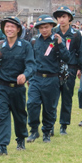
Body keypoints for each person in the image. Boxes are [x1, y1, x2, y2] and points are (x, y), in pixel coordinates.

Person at [0, 16, 35, 156]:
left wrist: (25, 75)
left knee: (19, 115)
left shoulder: (25, 46)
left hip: (18, 88)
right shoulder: (0, 45)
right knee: (2, 115)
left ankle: (21, 138)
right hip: (2, 86)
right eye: (7, 27)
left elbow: (31, 65)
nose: (9, 29)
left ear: (18, 29)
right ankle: (1, 146)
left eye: (12, 27)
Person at [27, 15, 71, 143]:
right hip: (36, 78)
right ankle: (34, 130)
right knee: (32, 104)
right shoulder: (34, 40)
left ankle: (47, 131)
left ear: (52, 26)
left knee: (49, 108)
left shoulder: (58, 40)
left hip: (52, 79)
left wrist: (61, 45)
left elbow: (67, 58)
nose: (44, 30)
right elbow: (30, 59)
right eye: (41, 28)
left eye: (46, 27)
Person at [52, 6, 82, 135]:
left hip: (70, 68)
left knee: (67, 98)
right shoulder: (53, 32)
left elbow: (80, 52)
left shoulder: (76, 34)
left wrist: (81, 69)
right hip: (54, 69)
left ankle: (64, 125)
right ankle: (50, 124)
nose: (61, 19)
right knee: (52, 99)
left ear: (70, 19)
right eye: (59, 17)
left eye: (64, 17)